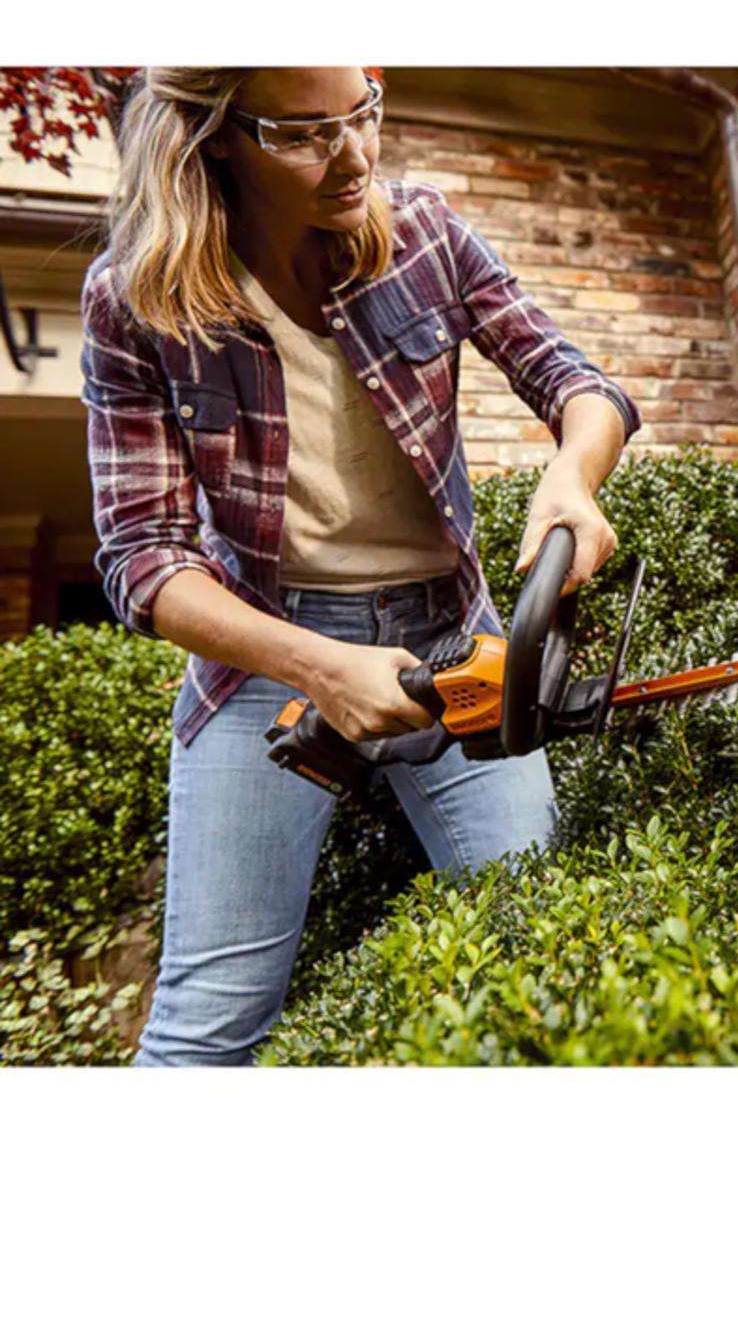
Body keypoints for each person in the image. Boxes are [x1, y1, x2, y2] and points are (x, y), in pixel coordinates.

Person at [79, 67, 642, 1066]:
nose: (354, 155)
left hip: (454, 638)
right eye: (305, 133)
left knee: (558, 964)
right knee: (209, 1023)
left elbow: (577, 383)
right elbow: (142, 560)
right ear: (218, 138)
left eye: (363, 111)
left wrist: (572, 476)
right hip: (266, 662)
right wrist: (318, 668)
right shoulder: (138, 304)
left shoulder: (423, 233)